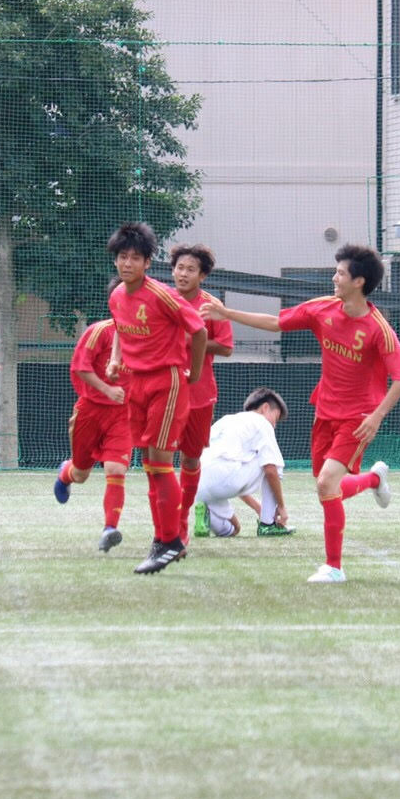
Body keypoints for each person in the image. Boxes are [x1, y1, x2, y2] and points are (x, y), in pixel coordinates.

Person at [204, 243, 400, 584]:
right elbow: (275, 322)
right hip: (324, 411)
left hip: (357, 419)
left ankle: (334, 567)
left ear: (359, 281)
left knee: (328, 483)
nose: (334, 278)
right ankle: (373, 479)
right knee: (327, 486)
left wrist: (376, 418)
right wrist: (227, 314)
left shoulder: (378, 329)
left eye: (340, 273)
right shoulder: (322, 309)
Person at [106, 222, 208, 575]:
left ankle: (170, 540)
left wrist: (192, 373)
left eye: (135, 258)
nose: (127, 264)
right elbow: (119, 326)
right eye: (122, 257)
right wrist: (116, 357)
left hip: (166, 382)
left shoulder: (162, 295)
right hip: (136, 386)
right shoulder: (117, 295)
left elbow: (199, 330)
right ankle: (163, 540)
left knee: (162, 463)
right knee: (150, 466)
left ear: (148, 262)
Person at [52, 312, 134, 553]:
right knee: (81, 474)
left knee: (116, 469)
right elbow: (80, 368)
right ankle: (66, 473)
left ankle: (109, 529)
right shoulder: (100, 331)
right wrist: (107, 389)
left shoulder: (148, 336)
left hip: (123, 414)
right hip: (90, 411)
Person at [169, 244, 233, 545]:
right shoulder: (162, 301)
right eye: (179, 267)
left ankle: (186, 513)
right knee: (159, 456)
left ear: (202, 275)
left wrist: (195, 340)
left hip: (199, 393)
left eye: (190, 269)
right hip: (164, 391)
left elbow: (227, 348)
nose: (183, 274)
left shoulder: (211, 306)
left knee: (191, 459)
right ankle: (168, 523)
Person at [195, 387, 294, 539]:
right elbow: (270, 470)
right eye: (275, 418)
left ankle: (203, 512)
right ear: (265, 407)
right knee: (272, 462)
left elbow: (230, 473)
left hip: (200, 483)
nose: (274, 425)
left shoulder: (227, 419)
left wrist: (258, 508)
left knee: (233, 530)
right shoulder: (261, 423)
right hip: (225, 476)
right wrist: (281, 508)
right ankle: (267, 525)